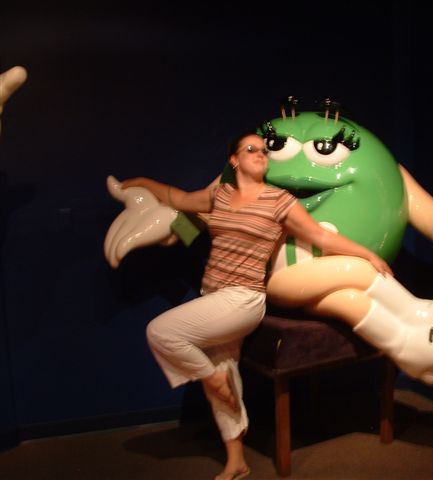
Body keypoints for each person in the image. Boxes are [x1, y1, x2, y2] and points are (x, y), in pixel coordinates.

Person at [120, 132, 391, 480]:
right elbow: (180, 198)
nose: (261, 154)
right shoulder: (220, 195)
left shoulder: (279, 200)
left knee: (161, 332)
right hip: (212, 296)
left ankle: (211, 377)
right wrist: (142, 182)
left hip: (243, 300)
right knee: (225, 378)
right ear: (234, 160)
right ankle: (237, 461)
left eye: (263, 150)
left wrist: (368, 254)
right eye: (251, 149)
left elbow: (321, 236)